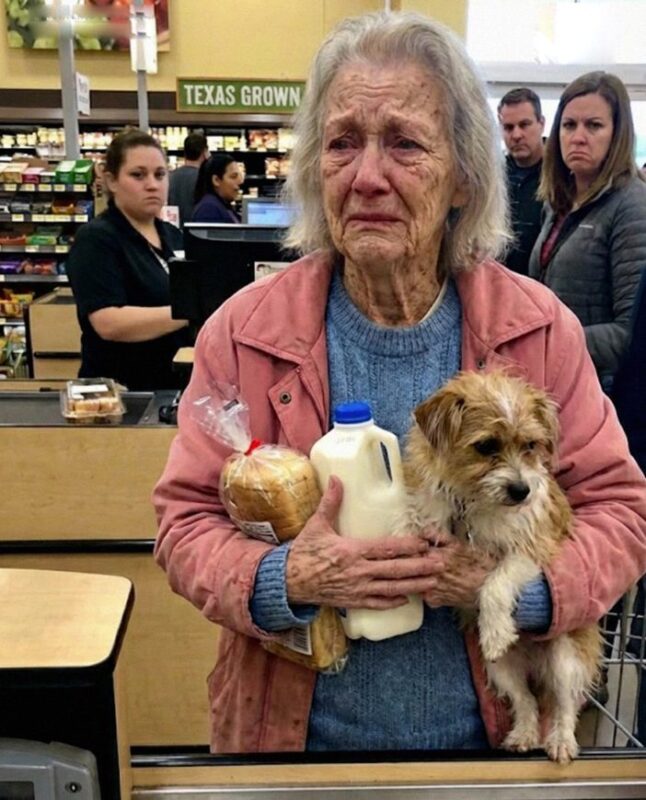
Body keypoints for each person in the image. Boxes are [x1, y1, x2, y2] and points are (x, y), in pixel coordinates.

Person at [153, 12, 646, 753]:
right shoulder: (246, 331)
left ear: (463, 178)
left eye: (405, 144)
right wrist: (286, 578)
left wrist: (516, 592)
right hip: (293, 747)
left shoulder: (537, 330)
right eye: (342, 142)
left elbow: (621, 510)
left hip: (492, 752)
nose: (367, 175)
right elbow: (184, 523)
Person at [528, 71, 646, 393]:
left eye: (593, 126)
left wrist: (549, 341)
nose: (578, 137)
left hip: (599, 390)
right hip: (554, 380)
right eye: (569, 125)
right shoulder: (559, 202)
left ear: (617, 134)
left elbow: (631, 333)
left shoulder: (633, 206)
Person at [66, 128, 190, 390]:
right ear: (112, 181)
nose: (152, 184)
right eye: (138, 175)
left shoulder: (173, 235)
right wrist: (191, 311)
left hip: (170, 386)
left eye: (160, 174)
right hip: (120, 394)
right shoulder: (96, 239)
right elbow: (109, 323)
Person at [498, 87, 545, 275]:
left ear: (541, 123)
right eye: (508, 127)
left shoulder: (562, 176)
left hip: (542, 285)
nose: (516, 135)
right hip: (499, 281)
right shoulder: (494, 177)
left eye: (524, 125)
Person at [168, 131, 209, 226]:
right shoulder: (205, 179)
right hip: (197, 230)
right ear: (204, 153)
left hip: (173, 229)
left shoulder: (170, 177)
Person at [191, 153, 243, 223]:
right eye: (233, 176)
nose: (240, 181)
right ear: (216, 180)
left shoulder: (221, 205)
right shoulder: (208, 209)